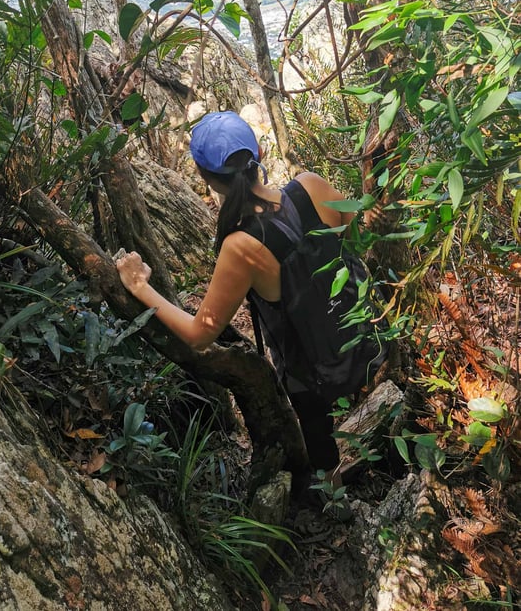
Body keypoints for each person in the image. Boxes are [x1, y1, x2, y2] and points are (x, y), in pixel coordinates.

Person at [116, 111, 356, 515]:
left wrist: (140, 287)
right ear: (259, 153)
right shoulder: (310, 185)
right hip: (355, 334)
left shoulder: (241, 246)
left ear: (206, 178)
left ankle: (334, 504)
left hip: (309, 368)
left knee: (318, 434)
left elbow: (199, 334)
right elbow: (350, 224)